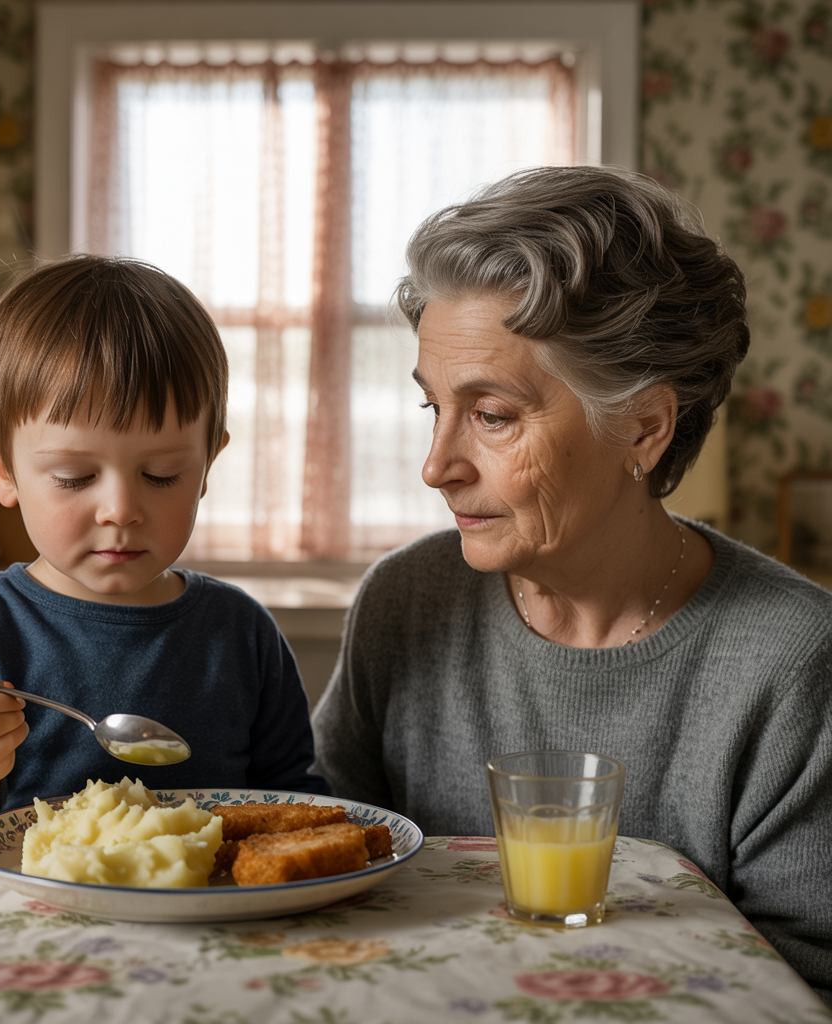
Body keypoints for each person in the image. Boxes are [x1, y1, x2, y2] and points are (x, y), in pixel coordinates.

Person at [311, 166, 832, 1003]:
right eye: (431, 408)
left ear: (644, 426)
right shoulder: (404, 604)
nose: (436, 466)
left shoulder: (793, 660)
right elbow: (323, 876)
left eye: (492, 415)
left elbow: (802, 987)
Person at [0, 255, 326, 841]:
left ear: (207, 465)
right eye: (75, 477)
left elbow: (294, 797)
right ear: (2, 472)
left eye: (161, 474)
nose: (120, 509)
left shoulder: (240, 633)